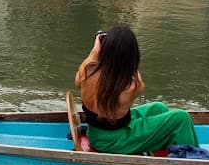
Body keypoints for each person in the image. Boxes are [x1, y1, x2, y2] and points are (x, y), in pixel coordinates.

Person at [74, 24, 199, 155]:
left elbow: (87, 70)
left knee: (158, 108)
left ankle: (162, 152)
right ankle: (190, 159)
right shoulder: (129, 86)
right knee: (181, 118)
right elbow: (139, 84)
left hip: (96, 132)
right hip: (114, 140)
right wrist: (129, 62)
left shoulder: (86, 70)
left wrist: (96, 49)